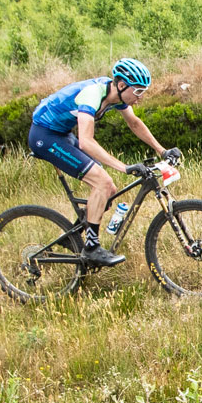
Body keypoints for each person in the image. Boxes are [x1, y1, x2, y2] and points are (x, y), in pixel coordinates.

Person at [26, 57, 178, 266]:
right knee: (103, 183)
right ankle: (91, 248)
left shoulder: (117, 96)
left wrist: (162, 150)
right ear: (122, 85)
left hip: (61, 132)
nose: (140, 97)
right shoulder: (92, 95)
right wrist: (124, 167)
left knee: (108, 189)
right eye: (138, 91)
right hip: (44, 135)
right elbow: (86, 142)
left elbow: (134, 123)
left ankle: (75, 235)